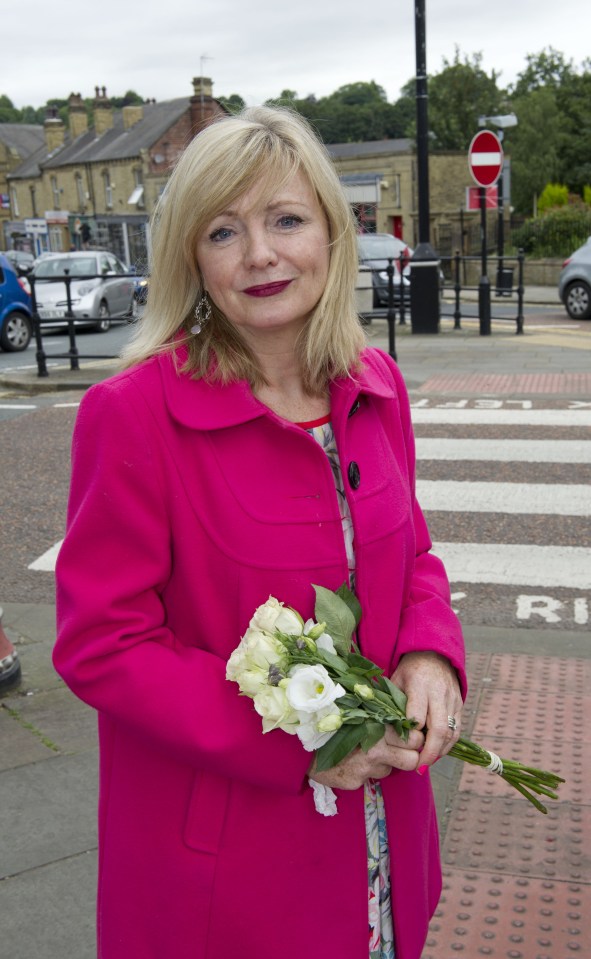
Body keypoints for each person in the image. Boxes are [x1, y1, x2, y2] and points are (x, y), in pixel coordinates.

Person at [54, 106, 465, 959]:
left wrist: (429, 651)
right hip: (232, 872)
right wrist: (300, 744)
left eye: (285, 220)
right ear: (190, 260)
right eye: (222, 231)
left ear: (329, 230)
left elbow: (411, 554)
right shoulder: (132, 416)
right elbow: (102, 641)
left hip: (382, 838)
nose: (261, 255)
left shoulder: (373, 383)